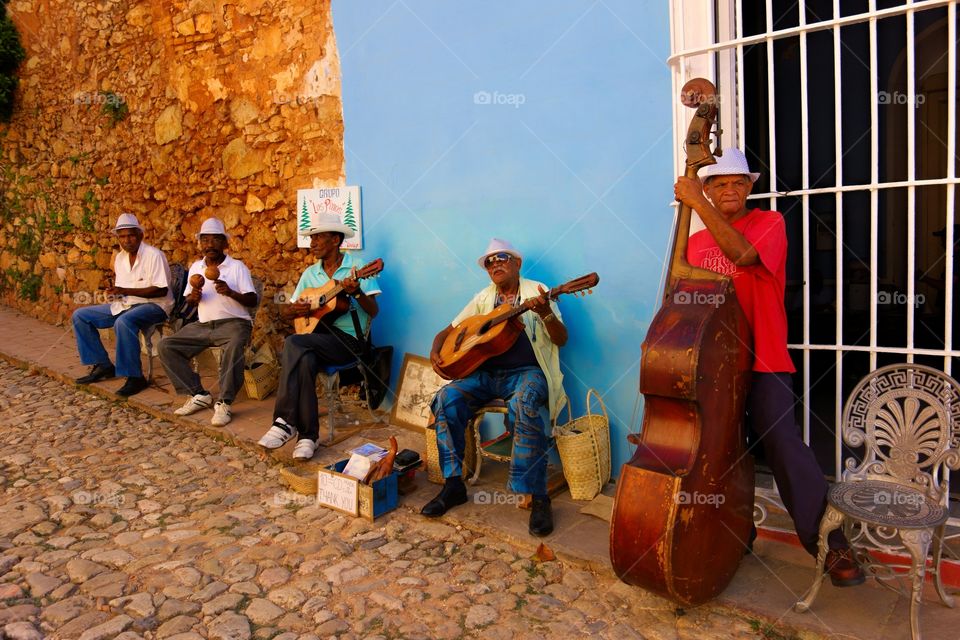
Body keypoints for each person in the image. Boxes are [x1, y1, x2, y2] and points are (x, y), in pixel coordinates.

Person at [673, 148, 865, 586]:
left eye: (738, 182)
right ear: (706, 187)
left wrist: (696, 203)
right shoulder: (695, 244)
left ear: (750, 188)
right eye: (718, 183)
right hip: (712, 366)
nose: (729, 190)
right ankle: (732, 532)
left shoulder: (769, 224)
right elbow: (682, 302)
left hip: (763, 359)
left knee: (784, 444)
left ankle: (829, 545)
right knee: (716, 452)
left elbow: (741, 256)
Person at [422, 238, 567, 537]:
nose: (495, 264)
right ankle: (453, 486)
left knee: (525, 403)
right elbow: (448, 331)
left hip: (526, 373)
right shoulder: (483, 298)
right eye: (489, 261)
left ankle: (538, 497)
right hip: (484, 376)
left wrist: (545, 313)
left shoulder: (537, 292)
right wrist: (436, 352)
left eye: (502, 258)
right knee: (447, 397)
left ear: (516, 263)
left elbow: (561, 339)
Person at [257, 214, 381, 461]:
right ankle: (307, 437)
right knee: (305, 360)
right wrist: (297, 310)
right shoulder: (310, 274)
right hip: (315, 340)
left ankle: (285, 421)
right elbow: (285, 312)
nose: (311, 243)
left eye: (317, 238)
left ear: (335, 239)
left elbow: (374, 311)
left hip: (349, 342)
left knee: (294, 343)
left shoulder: (357, 267)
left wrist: (356, 293)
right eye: (311, 238)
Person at [158, 218, 258, 427]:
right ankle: (198, 394)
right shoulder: (196, 267)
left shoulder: (237, 267)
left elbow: (252, 300)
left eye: (215, 239)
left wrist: (230, 292)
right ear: (200, 244)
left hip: (234, 323)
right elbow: (189, 300)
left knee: (234, 346)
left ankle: (225, 402)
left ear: (225, 243)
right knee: (166, 346)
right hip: (204, 325)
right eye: (205, 240)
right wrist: (194, 296)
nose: (210, 244)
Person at [72, 213, 173, 397]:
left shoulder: (154, 255)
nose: (127, 240)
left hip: (155, 306)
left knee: (123, 322)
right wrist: (115, 294)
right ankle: (103, 365)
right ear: (118, 238)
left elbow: (161, 291)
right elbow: (124, 289)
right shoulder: (120, 258)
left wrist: (125, 291)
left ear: (140, 235)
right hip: (127, 305)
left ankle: (134, 377)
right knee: (81, 316)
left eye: (131, 235)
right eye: (122, 236)